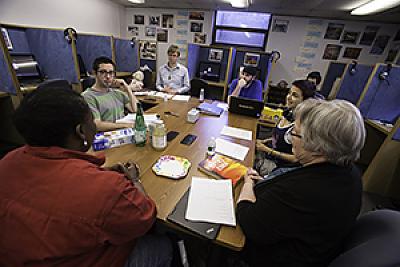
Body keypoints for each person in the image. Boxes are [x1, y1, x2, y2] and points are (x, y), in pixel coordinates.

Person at [0, 80, 172, 267]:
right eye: (91, 120)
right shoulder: (106, 188)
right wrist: (134, 180)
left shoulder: (7, 160)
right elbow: (145, 217)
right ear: (81, 131)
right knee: (163, 244)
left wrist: (98, 173)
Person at [237, 99, 366, 267]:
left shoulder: (303, 190)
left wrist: (248, 183)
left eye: (295, 133)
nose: (290, 138)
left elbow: (249, 222)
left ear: (319, 147)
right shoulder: (348, 171)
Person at [255, 79, 316, 176]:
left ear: (305, 101)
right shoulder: (287, 113)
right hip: (268, 155)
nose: (289, 97)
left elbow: (296, 159)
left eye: (295, 95)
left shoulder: (301, 126)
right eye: (289, 93)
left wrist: (268, 150)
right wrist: (265, 141)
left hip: (278, 166)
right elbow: (280, 139)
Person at [82, 56, 138, 132]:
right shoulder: (88, 96)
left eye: (111, 73)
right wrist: (126, 125)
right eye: (103, 72)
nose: (108, 76)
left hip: (124, 132)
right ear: (94, 73)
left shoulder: (117, 93)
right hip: (107, 137)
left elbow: (136, 110)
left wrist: (127, 88)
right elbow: (97, 125)